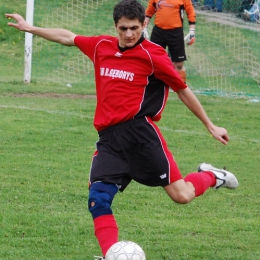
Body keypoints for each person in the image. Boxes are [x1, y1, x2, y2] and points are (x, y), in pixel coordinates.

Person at [6, 1, 238, 259]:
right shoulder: (101, 46)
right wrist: (30, 28)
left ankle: (211, 175)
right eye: (123, 28)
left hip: (141, 135)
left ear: (144, 25)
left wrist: (210, 124)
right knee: (98, 199)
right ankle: (110, 255)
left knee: (181, 195)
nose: (129, 34)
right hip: (109, 139)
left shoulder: (153, 55)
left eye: (135, 28)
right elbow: (68, 37)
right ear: (115, 26)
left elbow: (182, 90)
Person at [144, 0, 196, 84]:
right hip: (158, 31)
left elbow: (190, 11)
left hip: (175, 33)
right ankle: (153, 87)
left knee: (178, 64)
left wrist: (192, 31)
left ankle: (181, 88)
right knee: (153, 61)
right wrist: (144, 27)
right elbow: (149, 11)